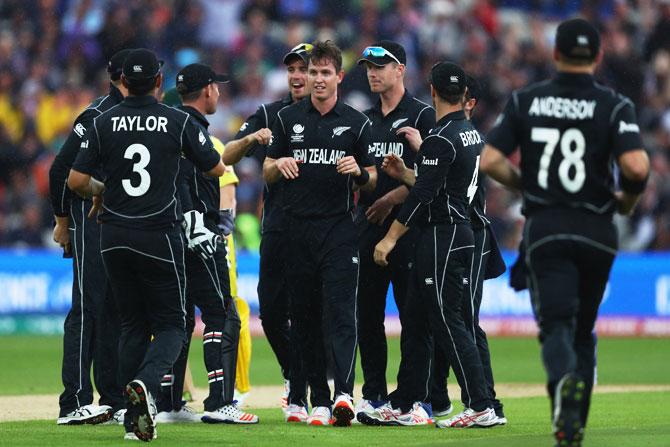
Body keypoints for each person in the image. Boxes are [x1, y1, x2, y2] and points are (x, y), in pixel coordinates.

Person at [480, 18, 649, 446]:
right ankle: (575, 423)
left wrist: (527, 184)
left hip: (547, 226)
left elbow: (490, 159)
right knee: (583, 328)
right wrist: (625, 202)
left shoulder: (527, 100)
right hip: (596, 229)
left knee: (555, 326)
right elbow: (636, 168)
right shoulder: (613, 106)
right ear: (597, 56)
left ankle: (564, 399)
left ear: (555, 55)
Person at [67, 48, 226, 441]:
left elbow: (73, 180)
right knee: (173, 324)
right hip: (159, 233)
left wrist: (102, 192)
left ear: (123, 80)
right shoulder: (175, 119)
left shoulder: (103, 122)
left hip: (113, 236)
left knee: (131, 325)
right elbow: (216, 167)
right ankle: (146, 386)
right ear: (159, 81)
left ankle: (128, 413)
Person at [373, 61, 498, 429]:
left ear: (431, 92)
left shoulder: (441, 138)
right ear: (464, 97)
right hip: (458, 232)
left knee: (448, 320)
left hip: (444, 235)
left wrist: (390, 238)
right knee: (418, 316)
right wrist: (407, 173)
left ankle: (480, 404)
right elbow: (438, 183)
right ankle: (407, 400)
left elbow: (424, 196)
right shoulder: (470, 132)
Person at [264, 40, 376, 427]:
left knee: (342, 313)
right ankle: (311, 398)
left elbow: (374, 173)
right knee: (303, 316)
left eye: (325, 73)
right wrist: (278, 163)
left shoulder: (357, 122)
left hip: (339, 230)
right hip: (297, 229)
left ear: (339, 77)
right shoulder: (287, 119)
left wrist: (359, 173)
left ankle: (345, 394)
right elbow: (265, 170)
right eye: (313, 73)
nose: (317, 79)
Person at [156, 63, 258, 425]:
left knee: (179, 318)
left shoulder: (164, 129)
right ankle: (219, 402)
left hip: (167, 237)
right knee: (220, 313)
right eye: (216, 87)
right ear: (208, 91)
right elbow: (216, 169)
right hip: (198, 236)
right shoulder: (195, 130)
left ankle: (168, 402)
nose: (219, 93)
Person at [222, 43, 312, 420]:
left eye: (304, 69)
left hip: (323, 230)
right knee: (271, 314)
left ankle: (315, 387)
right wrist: (250, 139)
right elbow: (227, 155)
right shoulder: (268, 114)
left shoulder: (340, 118)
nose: (297, 76)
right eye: (292, 69)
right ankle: (296, 375)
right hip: (276, 227)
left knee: (316, 313)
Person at [353, 40, 436, 425]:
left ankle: (412, 399)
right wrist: (358, 176)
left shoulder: (422, 116)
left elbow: (430, 178)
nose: (373, 72)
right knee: (367, 317)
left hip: (410, 232)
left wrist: (391, 199)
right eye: (369, 66)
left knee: (413, 317)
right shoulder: (365, 120)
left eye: (381, 65)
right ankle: (374, 395)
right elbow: (371, 177)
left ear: (400, 69)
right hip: (369, 229)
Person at [49, 48, 131, 426]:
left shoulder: (135, 116)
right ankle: (74, 400)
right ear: (122, 77)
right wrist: (63, 221)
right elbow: (59, 171)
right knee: (88, 308)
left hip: (119, 224)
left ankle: (112, 398)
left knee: (115, 309)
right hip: (88, 220)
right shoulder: (96, 114)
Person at [430, 75, 507, 424]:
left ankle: (483, 404)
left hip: (468, 233)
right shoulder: (475, 138)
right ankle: (476, 401)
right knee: (460, 320)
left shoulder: (453, 137)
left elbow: (441, 191)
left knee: (460, 320)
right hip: (474, 233)